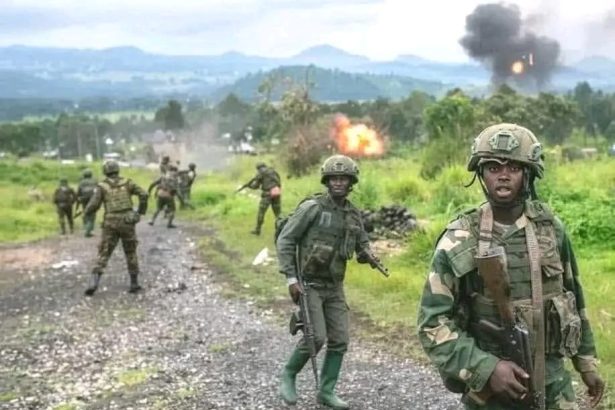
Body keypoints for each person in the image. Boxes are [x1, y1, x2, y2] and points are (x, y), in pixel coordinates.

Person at [417, 123, 604, 410]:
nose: (503, 175)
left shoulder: (551, 230)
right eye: (493, 168)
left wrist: (586, 363)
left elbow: (574, 298)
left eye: (514, 168)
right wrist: (487, 368)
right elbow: (432, 324)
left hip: (554, 384)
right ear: (481, 174)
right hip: (494, 391)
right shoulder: (459, 239)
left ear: (528, 173)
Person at [276, 154, 380, 409]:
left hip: (334, 287)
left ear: (351, 182)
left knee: (340, 340)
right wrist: (291, 278)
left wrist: (368, 255)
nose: (338, 182)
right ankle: (289, 374)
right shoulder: (312, 208)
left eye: (343, 178)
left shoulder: (353, 214)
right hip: (309, 284)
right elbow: (286, 240)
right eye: (334, 178)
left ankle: (326, 391)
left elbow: (362, 245)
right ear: (326, 180)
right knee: (316, 337)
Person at [83, 160, 148, 296]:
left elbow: (94, 205)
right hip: (127, 221)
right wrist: (140, 212)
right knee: (130, 251)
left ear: (105, 171)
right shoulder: (128, 182)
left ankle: (94, 283)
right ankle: (134, 283)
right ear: (117, 169)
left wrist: (86, 212)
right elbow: (144, 194)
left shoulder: (102, 186)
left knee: (104, 251)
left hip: (110, 222)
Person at [243, 162, 281, 235]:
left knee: (261, 212)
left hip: (267, 195)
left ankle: (258, 230)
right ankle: (282, 229)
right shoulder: (273, 171)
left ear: (258, 168)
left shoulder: (260, 173)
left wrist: (249, 186)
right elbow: (278, 182)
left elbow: (256, 186)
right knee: (278, 213)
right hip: (276, 193)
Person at [148, 164, 179, 228]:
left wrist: (149, 191)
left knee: (158, 209)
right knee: (172, 210)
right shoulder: (175, 178)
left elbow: (153, 184)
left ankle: (152, 220)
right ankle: (169, 224)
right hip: (168, 195)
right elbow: (174, 190)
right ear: (175, 171)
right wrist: (174, 195)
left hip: (160, 194)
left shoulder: (163, 176)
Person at [76, 169, 98, 237]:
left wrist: (78, 199)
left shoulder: (81, 182)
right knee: (92, 214)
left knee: (85, 212)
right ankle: (89, 230)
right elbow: (97, 190)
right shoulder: (94, 181)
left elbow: (79, 191)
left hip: (84, 200)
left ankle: (86, 226)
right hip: (93, 199)